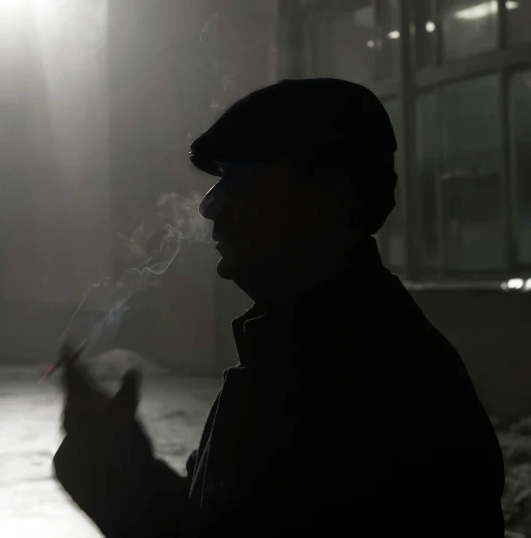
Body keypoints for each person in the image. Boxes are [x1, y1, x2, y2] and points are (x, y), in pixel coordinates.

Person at [52, 79, 505, 537]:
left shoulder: (355, 383)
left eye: (241, 181)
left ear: (326, 200)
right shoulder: (298, 351)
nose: (210, 206)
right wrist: (106, 452)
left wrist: (107, 466)